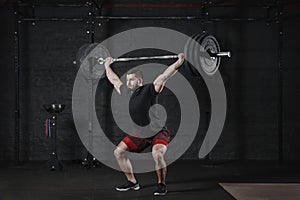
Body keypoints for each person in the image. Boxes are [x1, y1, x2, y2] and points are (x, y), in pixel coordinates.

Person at [104, 53, 184, 196]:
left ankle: (161, 184)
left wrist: (179, 61)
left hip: (158, 131)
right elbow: (114, 80)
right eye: (127, 80)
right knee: (118, 152)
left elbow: (165, 75)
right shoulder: (126, 92)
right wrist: (106, 65)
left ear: (139, 81)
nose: (128, 83)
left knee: (157, 154)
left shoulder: (150, 89)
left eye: (131, 80)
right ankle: (132, 182)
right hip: (141, 132)